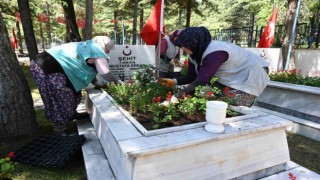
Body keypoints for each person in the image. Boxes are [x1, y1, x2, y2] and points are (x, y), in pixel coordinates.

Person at [159, 27, 270, 107]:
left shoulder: (215, 52)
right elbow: (191, 76)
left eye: (184, 46)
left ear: (193, 42)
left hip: (250, 73)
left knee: (234, 106)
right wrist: (173, 81)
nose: (183, 49)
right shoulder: (195, 52)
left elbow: (201, 81)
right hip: (231, 75)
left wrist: (175, 97)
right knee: (213, 100)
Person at [30, 36, 120, 135]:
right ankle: (59, 131)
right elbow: (105, 73)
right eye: (108, 49)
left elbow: (89, 68)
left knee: (73, 93)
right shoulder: (97, 51)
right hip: (48, 66)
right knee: (59, 98)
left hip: (51, 65)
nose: (108, 52)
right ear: (104, 46)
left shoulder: (88, 46)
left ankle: (72, 115)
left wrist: (97, 83)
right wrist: (118, 84)